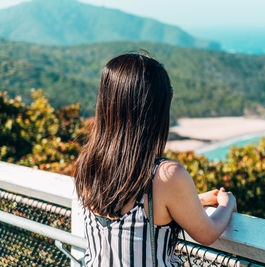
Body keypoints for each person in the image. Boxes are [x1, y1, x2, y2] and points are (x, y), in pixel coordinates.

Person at [73, 53, 237, 266]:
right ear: (156, 109)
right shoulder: (166, 175)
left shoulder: (88, 165)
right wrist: (227, 203)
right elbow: (207, 234)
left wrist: (196, 201)